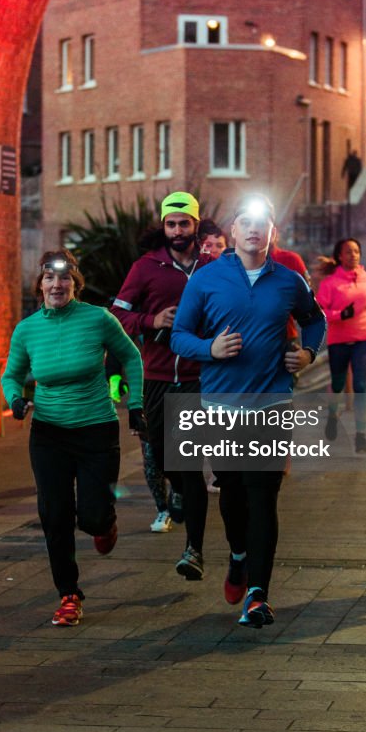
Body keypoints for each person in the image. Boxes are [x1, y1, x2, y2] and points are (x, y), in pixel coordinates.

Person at [171, 193, 327, 628]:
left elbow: (315, 320)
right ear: (232, 232)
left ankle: (258, 594)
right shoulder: (205, 280)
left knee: (264, 496)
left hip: (272, 402)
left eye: (263, 222)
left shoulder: (289, 280)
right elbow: (179, 336)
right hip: (220, 405)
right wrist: (210, 348)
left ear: (272, 233)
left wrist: (309, 353)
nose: (254, 229)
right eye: (245, 222)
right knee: (234, 498)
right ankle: (238, 556)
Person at [1, 250, 145, 627]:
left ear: (75, 284)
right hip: (49, 434)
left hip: (96, 429)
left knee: (93, 517)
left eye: (64, 279)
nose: (57, 285)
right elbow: (11, 375)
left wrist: (138, 404)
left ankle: (104, 524)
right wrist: (15, 399)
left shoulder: (98, 319)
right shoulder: (27, 329)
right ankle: (69, 594)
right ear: (40, 285)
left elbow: (132, 358)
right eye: (49, 278)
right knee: (54, 514)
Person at [111, 191, 210, 580]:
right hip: (155, 376)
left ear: (196, 226)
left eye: (184, 223)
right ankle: (180, 490)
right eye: (172, 224)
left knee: (189, 462)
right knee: (166, 458)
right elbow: (117, 314)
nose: (178, 230)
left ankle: (195, 550)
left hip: (198, 378)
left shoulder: (212, 267)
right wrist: (152, 321)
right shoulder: (146, 267)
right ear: (163, 227)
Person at [316, 238, 366, 452]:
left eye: (356, 251)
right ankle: (332, 415)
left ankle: (360, 434)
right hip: (339, 339)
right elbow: (320, 312)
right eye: (348, 252)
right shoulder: (330, 284)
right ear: (339, 256)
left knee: (359, 385)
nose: (353, 255)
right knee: (338, 383)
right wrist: (340, 315)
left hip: (363, 337)